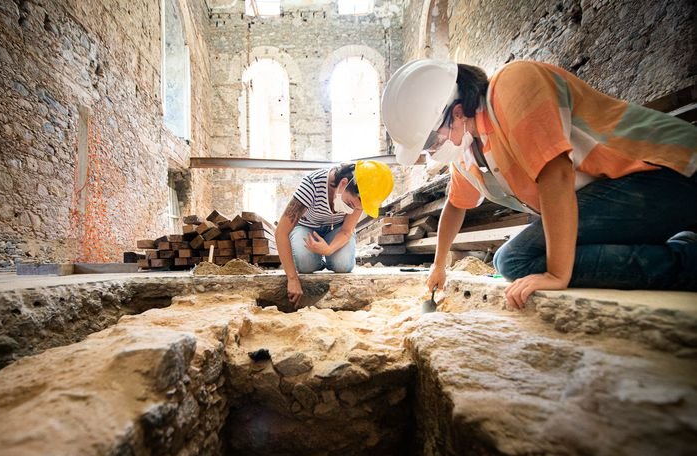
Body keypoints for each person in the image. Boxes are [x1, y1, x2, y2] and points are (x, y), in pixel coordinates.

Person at [381, 58, 697, 309]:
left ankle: (687, 263)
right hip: (627, 193)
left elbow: (556, 173)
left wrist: (557, 274)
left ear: (458, 111)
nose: (435, 151)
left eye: (432, 142)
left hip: (667, 173)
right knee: (517, 259)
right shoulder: (468, 153)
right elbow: (455, 206)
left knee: (514, 260)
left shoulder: (512, 85)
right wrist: (439, 266)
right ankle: (681, 246)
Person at [276, 160, 394, 308]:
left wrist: (329, 249)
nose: (352, 210)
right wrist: (292, 278)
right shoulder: (312, 184)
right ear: (343, 183)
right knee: (306, 264)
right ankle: (315, 261)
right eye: (350, 205)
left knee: (343, 265)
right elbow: (281, 232)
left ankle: (326, 256)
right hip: (307, 227)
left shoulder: (361, 196)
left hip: (337, 230)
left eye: (356, 208)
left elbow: (346, 231)